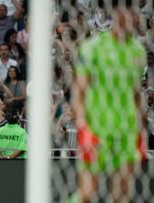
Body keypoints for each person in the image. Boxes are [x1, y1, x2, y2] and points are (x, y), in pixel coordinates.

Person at [70, 3, 147, 202]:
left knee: (122, 194)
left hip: (127, 130)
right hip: (96, 128)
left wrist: (140, 129)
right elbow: (79, 92)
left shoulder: (138, 51)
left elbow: (137, 94)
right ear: (117, 13)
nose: (135, 16)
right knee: (88, 191)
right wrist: (82, 127)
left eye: (136, 12)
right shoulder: (92, 47)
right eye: (129, 10)